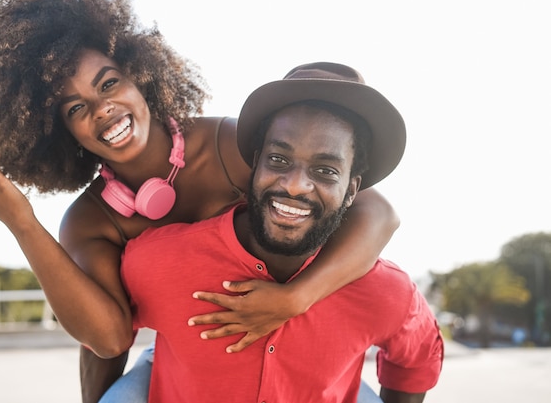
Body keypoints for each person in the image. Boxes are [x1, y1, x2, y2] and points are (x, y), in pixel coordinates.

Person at [0, 0, 398, 401]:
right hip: (184, 358)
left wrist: (294, 299)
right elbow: (108, 340)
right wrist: (23, 224)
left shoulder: (227, 145)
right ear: (59, 131)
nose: (102, 108)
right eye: (75, 108)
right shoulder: (90, 220)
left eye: (109, 83)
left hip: (305, 344)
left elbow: (378, 211)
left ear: (140, 77)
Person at [118, 62, 444, 403]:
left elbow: (418, 359)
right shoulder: (159, 261)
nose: (295, 186)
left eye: (324, 170)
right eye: (279, 160)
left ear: (352, 191)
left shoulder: (384, 291)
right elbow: (104, 334)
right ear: (255, 164)